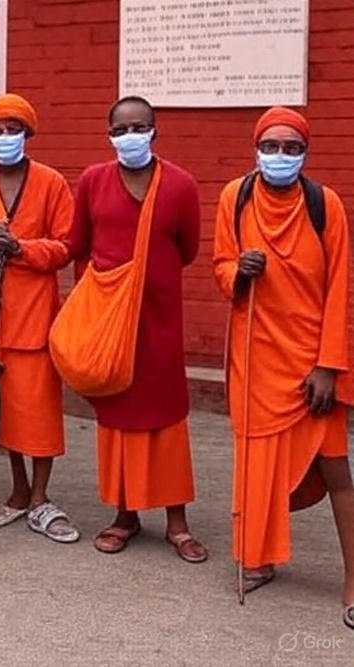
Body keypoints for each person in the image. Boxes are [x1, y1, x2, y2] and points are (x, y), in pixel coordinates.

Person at [212, 106, 354, 624]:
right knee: (256, 465)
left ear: (305, 153)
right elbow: (220, 266)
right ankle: (257, 558)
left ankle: (353, 579)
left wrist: (329, 365)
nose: (280, 156)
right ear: (255, 149)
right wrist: (239, 271)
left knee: (337, 469)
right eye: (270, 146)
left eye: (291, 148)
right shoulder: (235, 197)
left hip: (312, 362)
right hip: (255, 355)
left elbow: (340, 288)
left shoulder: (325, 204)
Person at [65, 96, 206, 562]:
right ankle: (125, 515)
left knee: (166, 415)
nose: (131, 135)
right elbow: (78, 244)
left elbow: (187, 248)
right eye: (121, 129)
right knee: (119, 414)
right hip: (109, 319)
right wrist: (103, 296)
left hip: (160, 318)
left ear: (155, 131)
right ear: (109, 135)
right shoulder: (93, 180)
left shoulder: (180, 185)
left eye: (140, 127)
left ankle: (177, 522)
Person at [0, 93, 78, 542]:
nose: (4, 137)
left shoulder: (51, 183)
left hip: (33, 316)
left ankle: (41, 497)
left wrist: (21, 248)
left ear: (28, 134)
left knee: (38, 413)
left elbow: (66, 247)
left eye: (13, 130)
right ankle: (19, 492)